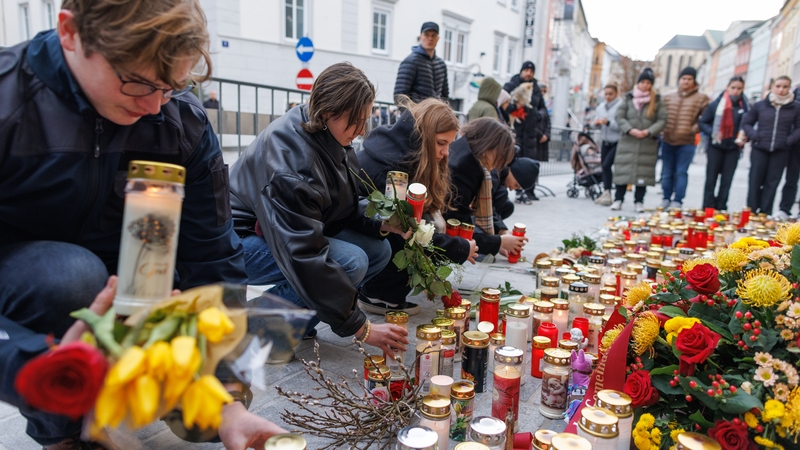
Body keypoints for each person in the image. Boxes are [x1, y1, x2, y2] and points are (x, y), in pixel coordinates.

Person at [0, 0, 287, 448]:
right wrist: (29, 365)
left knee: (207, 417)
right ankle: (65, 432)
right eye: (137, 83)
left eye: (171, 86)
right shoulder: (8, 103)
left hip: (143, 281)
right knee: (68, 277)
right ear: (71, 31)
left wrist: (228, 396)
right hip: (33, 277)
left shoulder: (181, 122)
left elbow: (212, 255)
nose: (155, 107)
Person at [229, 63, 409, 355]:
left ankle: (296, 323)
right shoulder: (293, 162)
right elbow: (304, 256)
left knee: (379, 251)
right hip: (239, 239)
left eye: (366, 120)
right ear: (329, 110)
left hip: (279, 230)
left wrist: (380, 222)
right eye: (356, 122)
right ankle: (255, 327)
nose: (362, 131)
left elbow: (341, 202)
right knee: (349, 262)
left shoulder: (328, 132)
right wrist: (361, 329)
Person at [356, 98, 472, 313]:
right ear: (424, 137)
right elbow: (407, 229)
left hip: (369, 229)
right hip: (358, 232)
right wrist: (459, 248)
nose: (446, 152)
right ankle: (380, 295)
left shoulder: (405, 153)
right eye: (440, 143)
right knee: (407, 231)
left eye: (449, 144)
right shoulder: (392, 169)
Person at [447, 118, 533, 258]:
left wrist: (500, 236)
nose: (494, 167)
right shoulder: (466, 167)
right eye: (499, 159)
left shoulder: (465, 152)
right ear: (491, 148)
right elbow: (460, 227)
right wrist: (499, 242)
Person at [611, 68, 667, 212]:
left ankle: (639, 201)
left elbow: (662, 120)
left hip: (646, 142)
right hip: (628, 141)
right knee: (623, 172)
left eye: (648, 83)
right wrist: (630, 129)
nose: (645, 85)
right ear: (638, 83)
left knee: (643, 173)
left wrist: (649, 131)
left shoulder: (657, 101)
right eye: (642, 82)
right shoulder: (628, 98)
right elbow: (619, 116)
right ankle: (618, 199)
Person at [742, 75, 800, 215]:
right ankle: (751, 212)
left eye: (785, 87)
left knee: (772, 183)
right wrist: (755, 135)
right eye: (778, 86)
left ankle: (765, 213)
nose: (781, 90)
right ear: (772, 87)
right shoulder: (761, 105)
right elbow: (747, 123)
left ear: (789, 88)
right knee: (755, 180)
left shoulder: (795, 107)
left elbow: (798, 128)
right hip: (760, 148)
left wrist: (788, 141)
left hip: (780, 150)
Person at [659, 66, 710, 208]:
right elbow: (661, 116)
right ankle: (666, 197)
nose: (686, 81)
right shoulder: (668, 97)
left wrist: (692, 129)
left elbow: (705, 118)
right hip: (668, 139)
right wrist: (663, 130)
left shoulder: (701, 98)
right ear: (679, 80)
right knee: (667, 171)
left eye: (689, 79)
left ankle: (678, 200)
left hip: (687, 141)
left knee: (681, 172)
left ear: (694, 81)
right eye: (683, 78)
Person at [698, 76, 749, 212]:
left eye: (739, 88)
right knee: (711, 179)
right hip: (716, 146)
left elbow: (748, 126)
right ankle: (708, 207)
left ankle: (721, 207)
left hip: (733, 148)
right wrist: (713, 133)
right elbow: (703, 122)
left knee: (726, 181)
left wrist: (745, 137)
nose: (735, 91)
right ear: (727, 87)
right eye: (733, 88)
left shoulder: (745, 106)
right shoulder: (716, 105)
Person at [504, 61, 547, 204]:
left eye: (531, 71)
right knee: (516, 160)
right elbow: (503, 103)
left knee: (529, 162)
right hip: (515, 130)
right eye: (526, 70)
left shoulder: (535, 89)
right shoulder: (512, 84)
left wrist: (536, 116)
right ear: (521, 71)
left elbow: (542, 109)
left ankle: (529, 190)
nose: (528, 73)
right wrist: (514, 109)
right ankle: (517, 191)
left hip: (531, 131)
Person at [393, 22, 449, 103]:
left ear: (438, 38)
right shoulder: (410, 61)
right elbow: (399, 96)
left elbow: (445, 95)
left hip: (434, 114)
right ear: (420, 37)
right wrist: (413, 114)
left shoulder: (441, 64)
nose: (430, 38)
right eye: (426, 34)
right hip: (416, 114)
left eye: (433, 35)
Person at [593, 84, 622, 205]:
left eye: (611, 94)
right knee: (605, 167)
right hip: (605, 141)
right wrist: (596, 123)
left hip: (617, 142)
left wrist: (609, 122)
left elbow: (621, 125)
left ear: (616, 94)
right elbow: (594, 121)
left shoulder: (620, 106)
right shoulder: (601, 107)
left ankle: (616, 194)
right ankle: (607, 192)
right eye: (606, 94)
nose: (608, 97)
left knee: (607, 165)